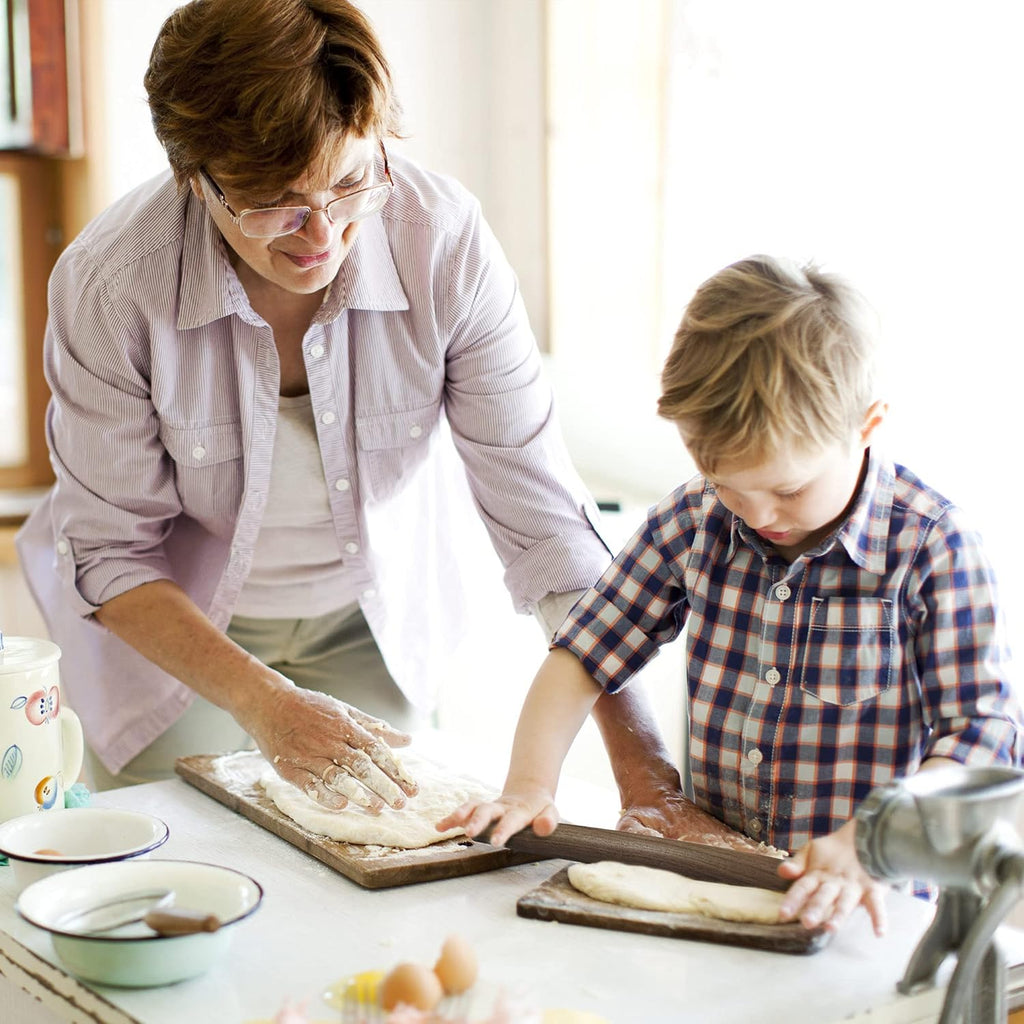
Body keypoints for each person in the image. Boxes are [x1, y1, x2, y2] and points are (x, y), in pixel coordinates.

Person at [15, 0, 640, 811]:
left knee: (386, 849)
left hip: (369, 621)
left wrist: (643, 767)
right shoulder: (112, 283)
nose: (322, 235)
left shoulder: (443, 243)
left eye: (349, 184)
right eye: (275, 200)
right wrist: (265, 703)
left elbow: (548, 526)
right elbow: (109, 551)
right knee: (179, 852)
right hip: (176, 633)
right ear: (193, 177)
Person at [440, 254, 1022, 934]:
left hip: (873, 911)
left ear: (866, 426)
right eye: (725, 483)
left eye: (788, 489)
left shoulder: (932, 547)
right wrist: (530, 785)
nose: (758, 514)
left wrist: (872, 840)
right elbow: (582, 656)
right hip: (718, 881)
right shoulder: (695, 518)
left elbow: (983, 737)